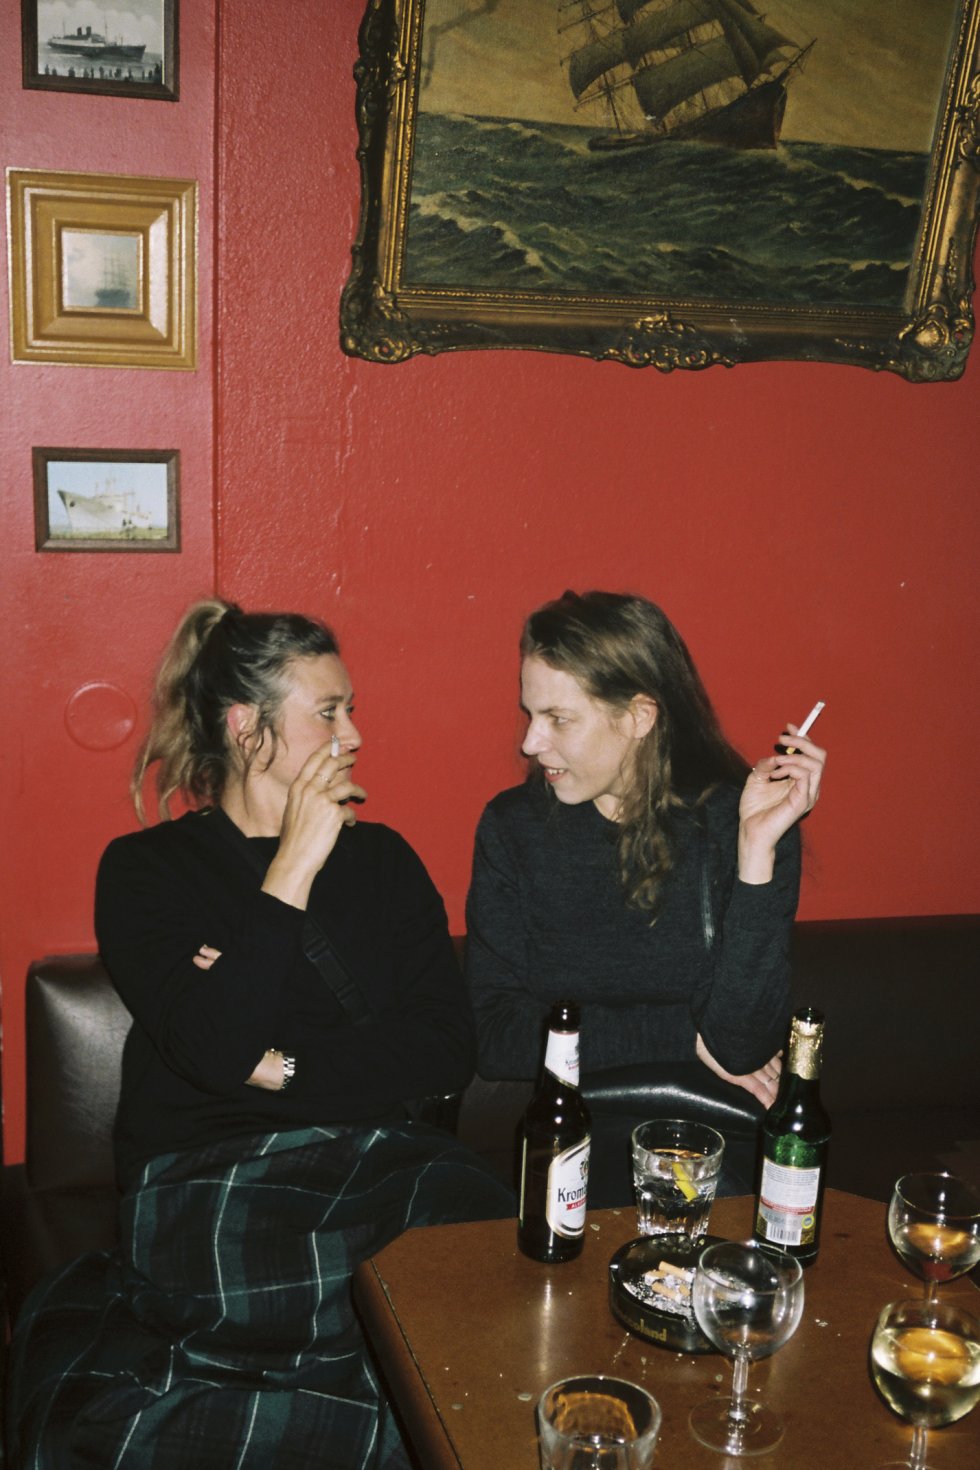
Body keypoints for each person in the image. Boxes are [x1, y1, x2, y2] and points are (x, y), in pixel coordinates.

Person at [7, 599, 513, 1470]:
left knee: (478, 1254)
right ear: (247, 728)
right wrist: (290, 873)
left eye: (351, 709)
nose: (353, 734)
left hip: (383, 1163)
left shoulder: (385, 861)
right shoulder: (146, 870)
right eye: (329, 712)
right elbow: (210, 1051)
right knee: (347, 1316)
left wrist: (279, 1066)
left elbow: (443, 1048)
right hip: (209, 1173)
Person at [465, 590, 826, 1205]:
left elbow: (741, 1046)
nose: (530, 742)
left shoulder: (741, 820)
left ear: (638, 716)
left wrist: (756, 853)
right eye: (530, 715)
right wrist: (684, 1035)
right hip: (573, 1140)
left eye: (558, 718)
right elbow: (496, 1038)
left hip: (711, 1144)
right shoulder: (513, 827)